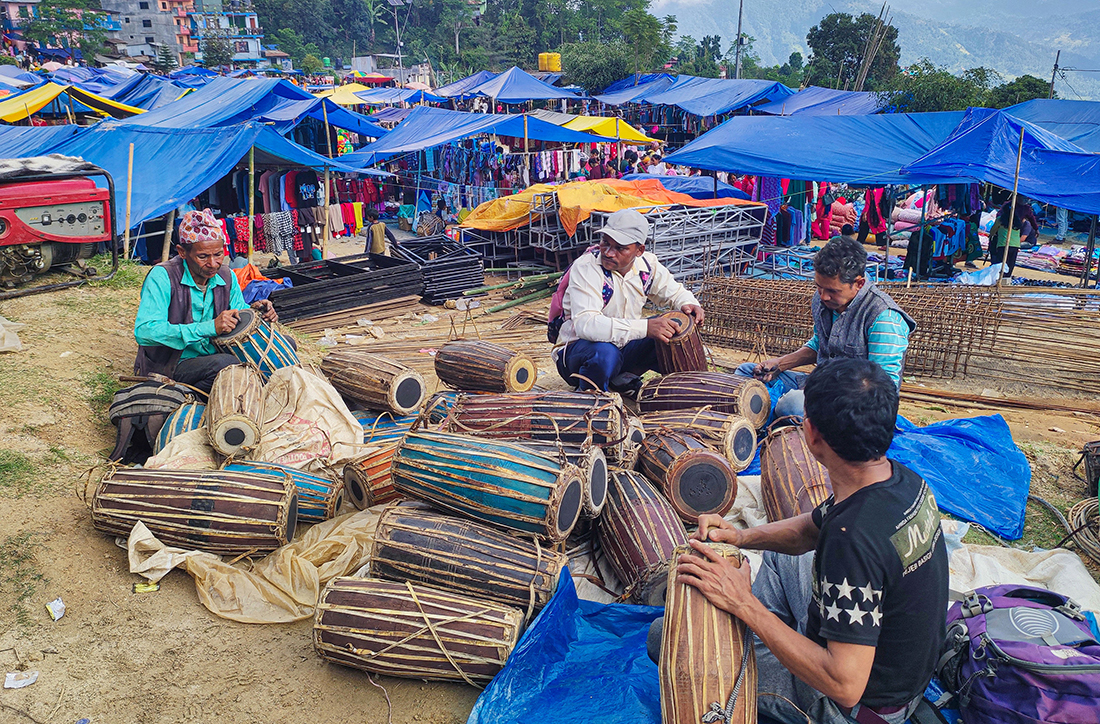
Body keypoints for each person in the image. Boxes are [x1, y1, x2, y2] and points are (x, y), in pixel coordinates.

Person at [650, 358, 948, 724]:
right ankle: (774, 637)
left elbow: (844, 684)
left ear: (810, 434)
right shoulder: (900, 480)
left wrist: (743, 604)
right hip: (899, 669)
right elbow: (811, 528)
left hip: (857, 707)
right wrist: (741, 536)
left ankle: (764, 641)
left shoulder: (851, 541)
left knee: (664, 637)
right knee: (781, 558)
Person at [735, 237, 915, 418]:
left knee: (792, 405)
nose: (823, 296)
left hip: (857, 407)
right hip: (819, 385)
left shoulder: (883, 317)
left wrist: (822, 395)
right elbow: (820, 344)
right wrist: (780, 364)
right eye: (819, 287)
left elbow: (883, 390)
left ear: (859, 284)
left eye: (832, 291)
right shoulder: (823, 301)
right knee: (745, 375)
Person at [551, 208, 704, 396]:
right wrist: (646, 328)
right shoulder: (586, 267)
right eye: (605, 243)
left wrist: (689, 303)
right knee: (606, 354)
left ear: (639, 250)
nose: (608, 253)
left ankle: (624, 379)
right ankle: (590, 394)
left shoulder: (647, 266)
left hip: (623, 350)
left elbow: (675, 291)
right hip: (578, 355)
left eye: (620, 248)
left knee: (671, 328)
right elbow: (586, 325)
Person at [133, 209, 279, 393]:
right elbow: (145, 331)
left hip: (215, 355)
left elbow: (238, 313)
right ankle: (186, 394)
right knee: (227, 365)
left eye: (218, 254)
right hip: (173, 362)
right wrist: (210, 328)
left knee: (286, 343)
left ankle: (228, 390)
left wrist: (255, 313)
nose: (213, 263)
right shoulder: (162, 276)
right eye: (203, 256)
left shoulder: (227, 276)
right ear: (182, 252)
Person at [987, 201, 1030, 277]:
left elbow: (992, 231)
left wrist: (992, 236)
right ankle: (1007, 277)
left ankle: (1000, 277)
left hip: (1003, 244)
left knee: (1002, 263)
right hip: (1015, 245)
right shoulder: (1017, 221)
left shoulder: (1000, 220)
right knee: (1011, 263)